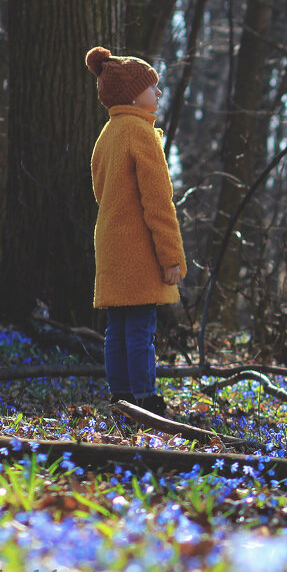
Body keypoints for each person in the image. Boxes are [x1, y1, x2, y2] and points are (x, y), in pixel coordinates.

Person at [86, 46, 186, 418]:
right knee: (141, 328)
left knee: (118, 328)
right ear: (132, 93)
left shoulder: (107, 135)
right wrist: (171, 257)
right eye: (151, 86)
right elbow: (159, 203)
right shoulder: (142, 134)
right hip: (139, 247)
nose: (158, 93)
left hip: (110, 243)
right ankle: (144, 399)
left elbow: (100, 191)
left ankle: (120, 396)